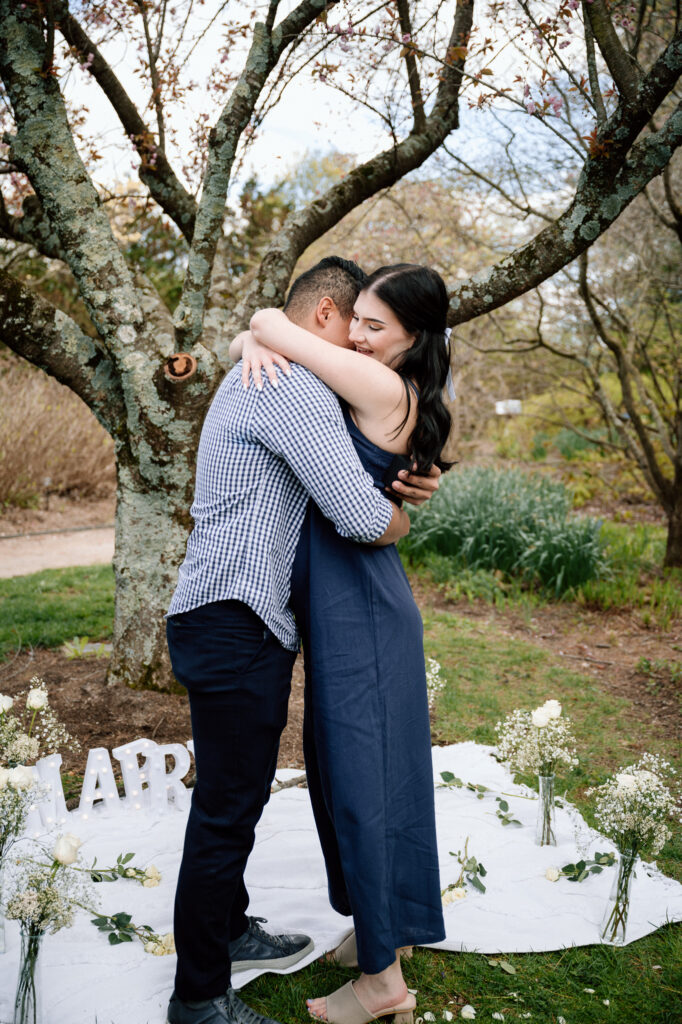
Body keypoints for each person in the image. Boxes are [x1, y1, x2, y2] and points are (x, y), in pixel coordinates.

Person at [165, 256, 440, 1024]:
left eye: (370, 332)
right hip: (237, 617)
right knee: (226, 808)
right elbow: (357, 515)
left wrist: (256, 332)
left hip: (225, 614)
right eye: (352, 326)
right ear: (322, 318)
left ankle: (229, 929)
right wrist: (404, 518)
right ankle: (198, 999)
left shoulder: (276, 368)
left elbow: (265, 335)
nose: (354, 343)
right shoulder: (288, 385)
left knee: (235, 794)